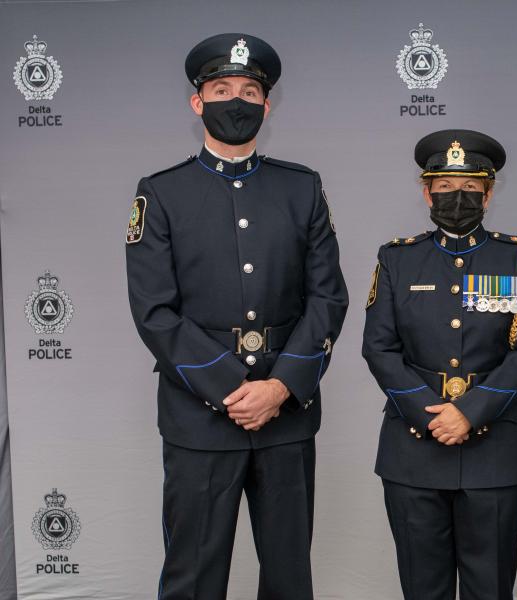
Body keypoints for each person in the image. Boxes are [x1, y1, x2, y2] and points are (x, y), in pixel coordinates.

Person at [125, 33, 348, 600]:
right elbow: (155, 312)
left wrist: (280, 386)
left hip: (287, 416)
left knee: (289, 577)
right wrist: (231, 387)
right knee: (193, 578)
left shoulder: (303, 188)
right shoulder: (162, 192)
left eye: (249, 91)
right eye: (221, 89)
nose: (236, 100)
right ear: (197, 103)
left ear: (266, 105)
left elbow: (328, 298)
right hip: (199, 418)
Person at [362, 129, 517, 600]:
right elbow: (378, 348)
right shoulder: (397, 260)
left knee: (490, 588)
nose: (456, 197)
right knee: (422, 589)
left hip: (496, 450)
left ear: (488, 194)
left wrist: (471, 410)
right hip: (413, 451)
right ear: (426, 191)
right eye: (444, 187)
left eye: (469, 187)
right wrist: (429, 413)